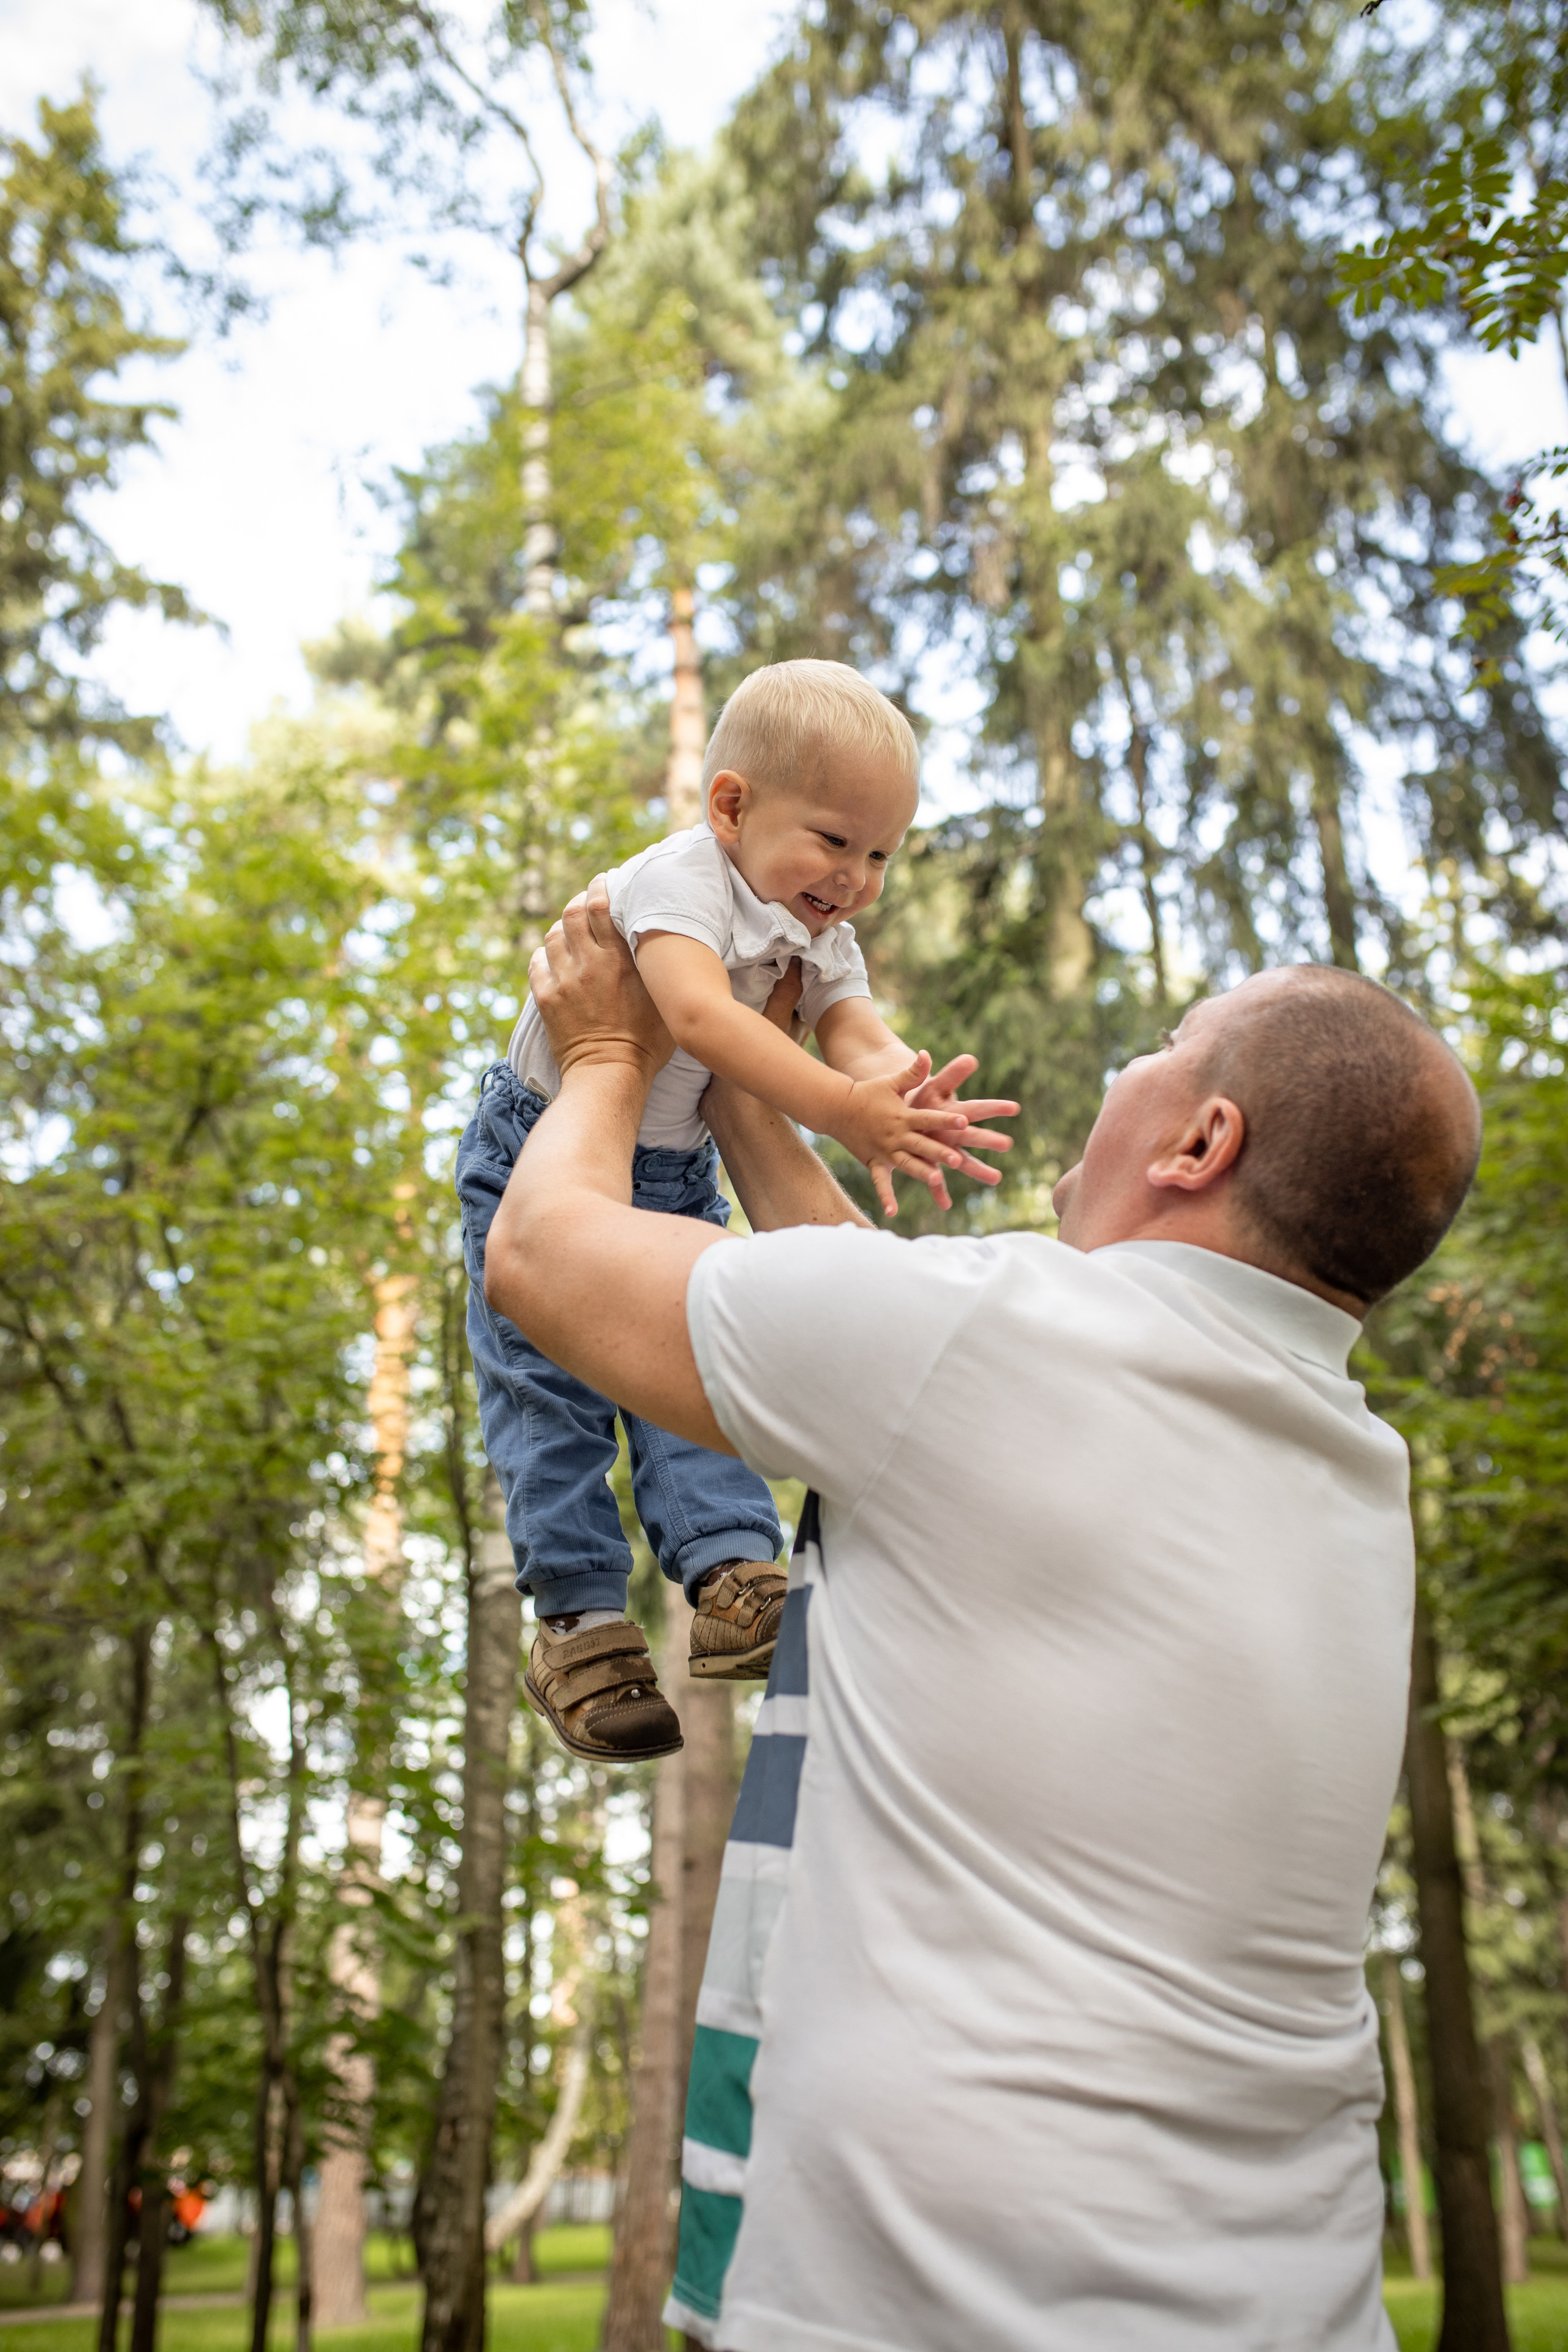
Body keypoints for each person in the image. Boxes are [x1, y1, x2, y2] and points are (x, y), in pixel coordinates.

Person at [481, 886, 1482, 2352]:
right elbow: (880, 1348)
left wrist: (606, 1062)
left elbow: (544, 1262)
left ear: (1202, 1144)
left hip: (933, 2306)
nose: (1114, 1074)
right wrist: (752, 1083)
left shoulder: (997, 1347)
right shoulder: (1347, 1467)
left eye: (1161, 1046)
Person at [456, 658, 1015, 1763]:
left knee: (695, 1361)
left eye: (881, 855)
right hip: (543, 1139)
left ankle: (730, 1574)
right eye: (836, 840)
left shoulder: (820, 930)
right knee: (547, 1384)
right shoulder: (681, 883)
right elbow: (703, 1023)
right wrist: (847, 1113)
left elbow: (853, 1031)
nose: (855, 878)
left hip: (671, 1167)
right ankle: (578, 1617)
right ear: (731, 806)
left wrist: (907, 1094)